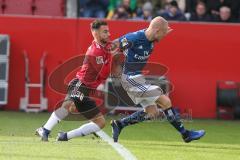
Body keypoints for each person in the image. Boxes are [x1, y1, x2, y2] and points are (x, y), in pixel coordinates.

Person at [111, 16, 206, 143]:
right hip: (130, 79)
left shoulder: (151, 37)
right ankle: (185, 134)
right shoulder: (135, 38)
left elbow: (156, 30)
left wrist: (164, 29)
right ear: (156, 31)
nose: (164, 36)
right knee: (166, 102)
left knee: (152, 112)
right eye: (163, 33)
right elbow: (113, 45)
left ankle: (120, 124)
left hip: (137, 79)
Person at [36, 20, 117, 141]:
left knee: (100, 122)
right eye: (105, 32)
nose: (108, 34)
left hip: (88, 90)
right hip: (81, 84)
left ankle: (65, 136)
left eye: (108, 31)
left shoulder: (104, 47)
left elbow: (114, 49)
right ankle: (45, 130)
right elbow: (104, 73)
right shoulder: (96, 52)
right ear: (95, 33)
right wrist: (112, 55)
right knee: (67, 106)